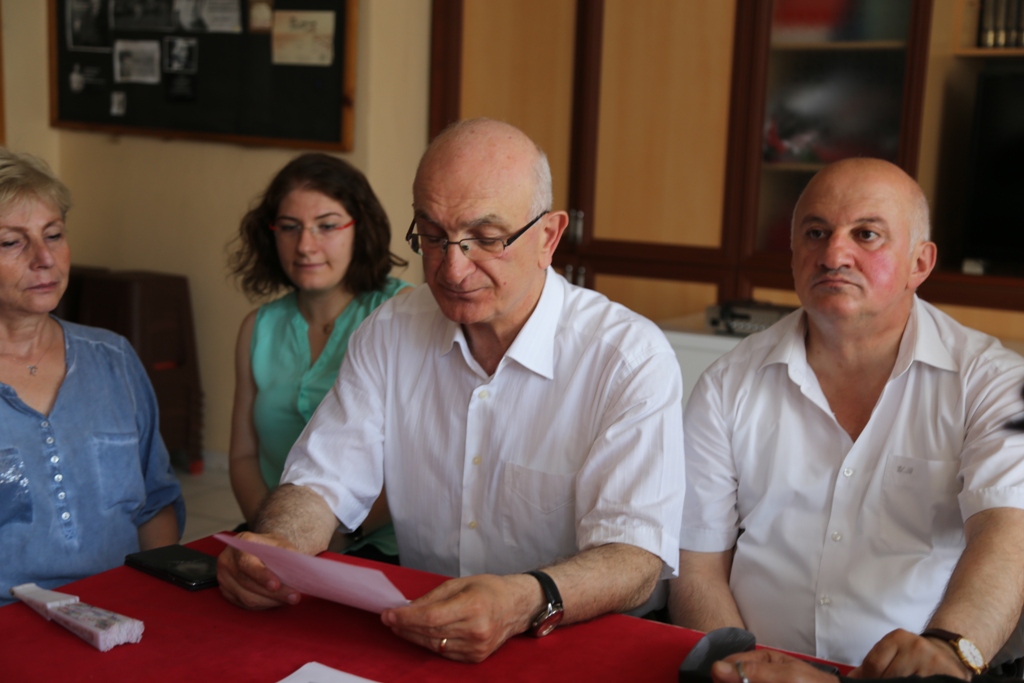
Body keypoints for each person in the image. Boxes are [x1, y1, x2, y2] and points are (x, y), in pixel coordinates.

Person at [216, 118, 686, 662]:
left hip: (575, 643)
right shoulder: (391, 331)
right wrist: (279, 546)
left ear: (548, 237)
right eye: (434, 237)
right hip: (427, 634)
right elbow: (320, 482)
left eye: (485, 239)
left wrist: (524, 600)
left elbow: (634, 558)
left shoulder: (626, 358)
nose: (453, 269)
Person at [670, 158, 1024, 678]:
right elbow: (697, 566)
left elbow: (1008, 534)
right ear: (794, 254)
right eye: (816, 233)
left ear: (919, 263)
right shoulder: (728, 383)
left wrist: (950, 651)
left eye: (866, 234)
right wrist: (744, 670)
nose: (834, 254)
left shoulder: (993, 383)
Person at [0, 148, 184, 606]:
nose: (45, 258)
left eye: (54, 234)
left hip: (119, 611)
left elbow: (156, 503)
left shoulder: (112, 358)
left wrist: (153, 603)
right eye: (11, 242)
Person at [226, 153, 410, 563]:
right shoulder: (258, 327)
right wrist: (274, 537)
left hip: (375, 543)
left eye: (327, 226)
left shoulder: (401, 312)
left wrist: (338, 536)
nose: (305, 246)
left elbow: (417, 464)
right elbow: (242, 457)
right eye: (290, 227)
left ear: (360, 229)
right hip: (279, 535)